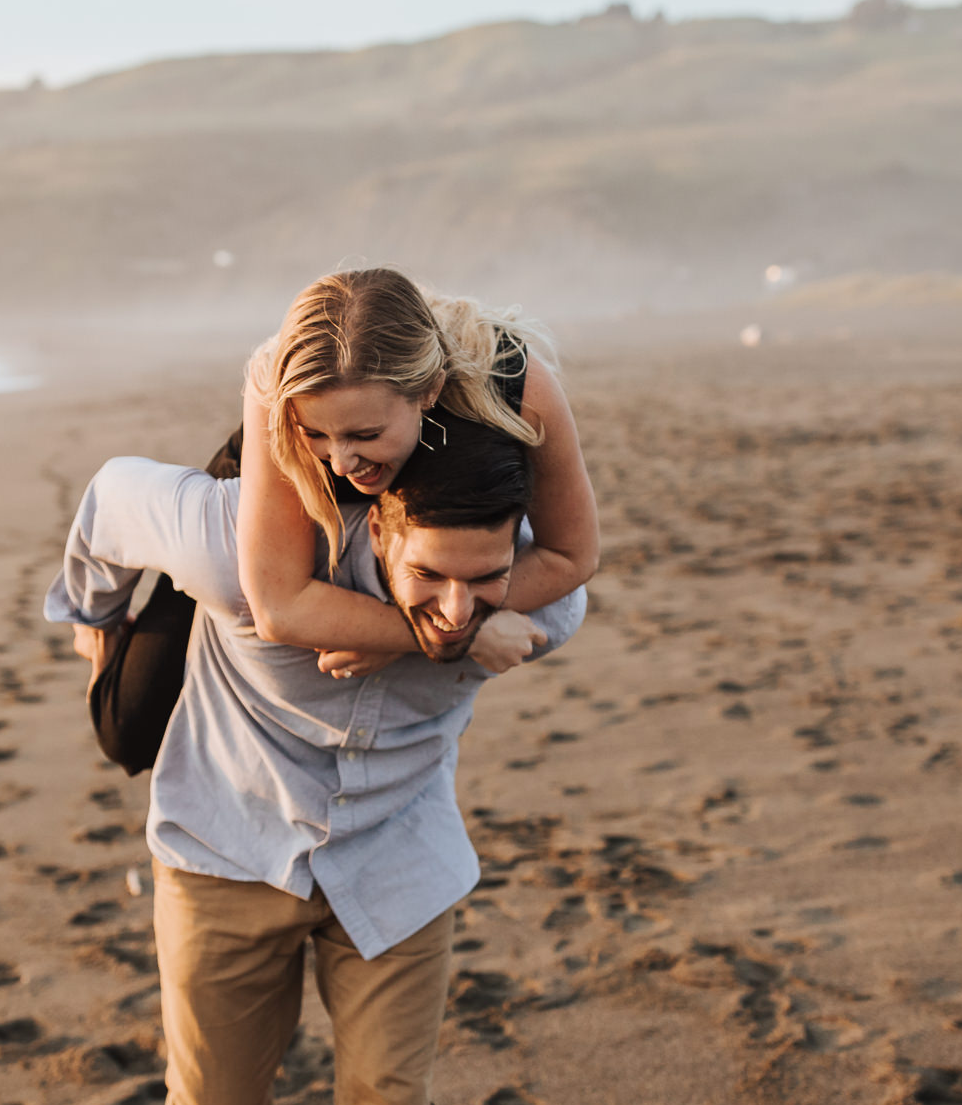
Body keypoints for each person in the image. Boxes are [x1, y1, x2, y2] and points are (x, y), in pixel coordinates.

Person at [43, 415, 584, 1105]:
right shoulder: (239, 544)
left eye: (488, 579)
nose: (459, 604)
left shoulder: (540, 596)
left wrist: (460, 623)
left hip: (397, 864)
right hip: (225, 846)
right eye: (431, 573)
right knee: (221, 1104)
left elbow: (546, 597)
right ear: (374, 519)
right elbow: (108, 495)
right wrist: (96, 625)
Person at [78, 266, 597, 772]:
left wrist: (432, 628)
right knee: (128, 733)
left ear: (429, 392)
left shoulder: (514, 382)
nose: (342, 462)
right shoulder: (273, 382)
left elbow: (573, 554)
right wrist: (436, 635)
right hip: (272, 502)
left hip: (416, 523)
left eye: (366, 434)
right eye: (317, 435)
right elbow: (278, 606)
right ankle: (102, 638)